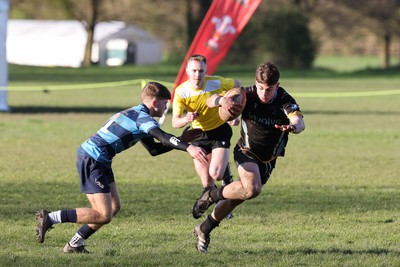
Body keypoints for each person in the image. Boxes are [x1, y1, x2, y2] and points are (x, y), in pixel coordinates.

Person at [36, 82, 208, 254]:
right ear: (155, 103)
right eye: (165, 103)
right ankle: (50, 217)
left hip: (100, 159)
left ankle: (75, 244)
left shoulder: (137, 114)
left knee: (113, 206)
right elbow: (162, 137)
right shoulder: (142, 119)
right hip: (92, 159)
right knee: (104, 214)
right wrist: (188, 147)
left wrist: (182, 138)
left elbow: (154, 149)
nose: (166, 107)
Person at [192, 62, 305, 253]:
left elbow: (299, 120)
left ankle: (204, 228)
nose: (264, 93)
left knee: (238, 197)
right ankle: (211, 195)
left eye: (269, 89)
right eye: (261, 88)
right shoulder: (246, 94)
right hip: (246, 151)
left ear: (277, 86)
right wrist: (222, 101)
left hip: (268, 160)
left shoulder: (285, 99)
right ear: (255, 83)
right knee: (252, 189)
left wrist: (293, 127)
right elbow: (210, 100)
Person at [171, 54, 242, 219]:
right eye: (194, 71)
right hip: (198, 136)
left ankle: (226, 178)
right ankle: (222, 203)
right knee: (208, 184)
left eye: (201, 71)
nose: (197, 75)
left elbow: (237, 86)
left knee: (216, 174)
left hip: (219, 131)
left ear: (206, 71)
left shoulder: (216, 82)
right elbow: (175, 122)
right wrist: (186, 119)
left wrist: (233, 109)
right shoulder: (181, 92)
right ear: (187, 71)